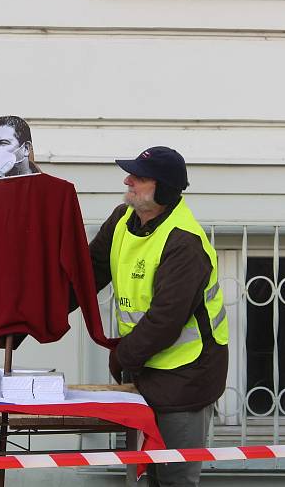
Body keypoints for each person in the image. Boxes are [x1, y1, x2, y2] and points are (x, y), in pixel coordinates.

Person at [85, 146, 228, 487]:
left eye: (139, 177)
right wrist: (40, 313)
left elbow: (164, 321)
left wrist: (122, 355)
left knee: (174, 479)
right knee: (141, 474)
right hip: (143, 372)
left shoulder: (184, 243)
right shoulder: (123, 219)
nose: (127, 180)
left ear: (163, 189)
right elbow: (88, 273)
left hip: (186, 379)